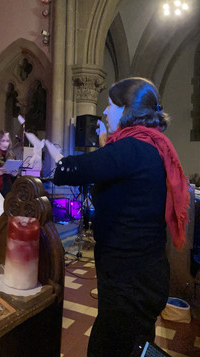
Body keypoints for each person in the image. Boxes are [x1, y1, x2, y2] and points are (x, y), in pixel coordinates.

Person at [50, 77, 189, 357]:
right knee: (134, 344)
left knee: (112, 347)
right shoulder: (151, 145)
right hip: (143, 273)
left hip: (129, 280)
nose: (104, 112)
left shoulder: (131, 147)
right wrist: (106, 145)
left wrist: (58, 156)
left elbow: (69, 170)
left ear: (127, 110)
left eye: (111, 105)